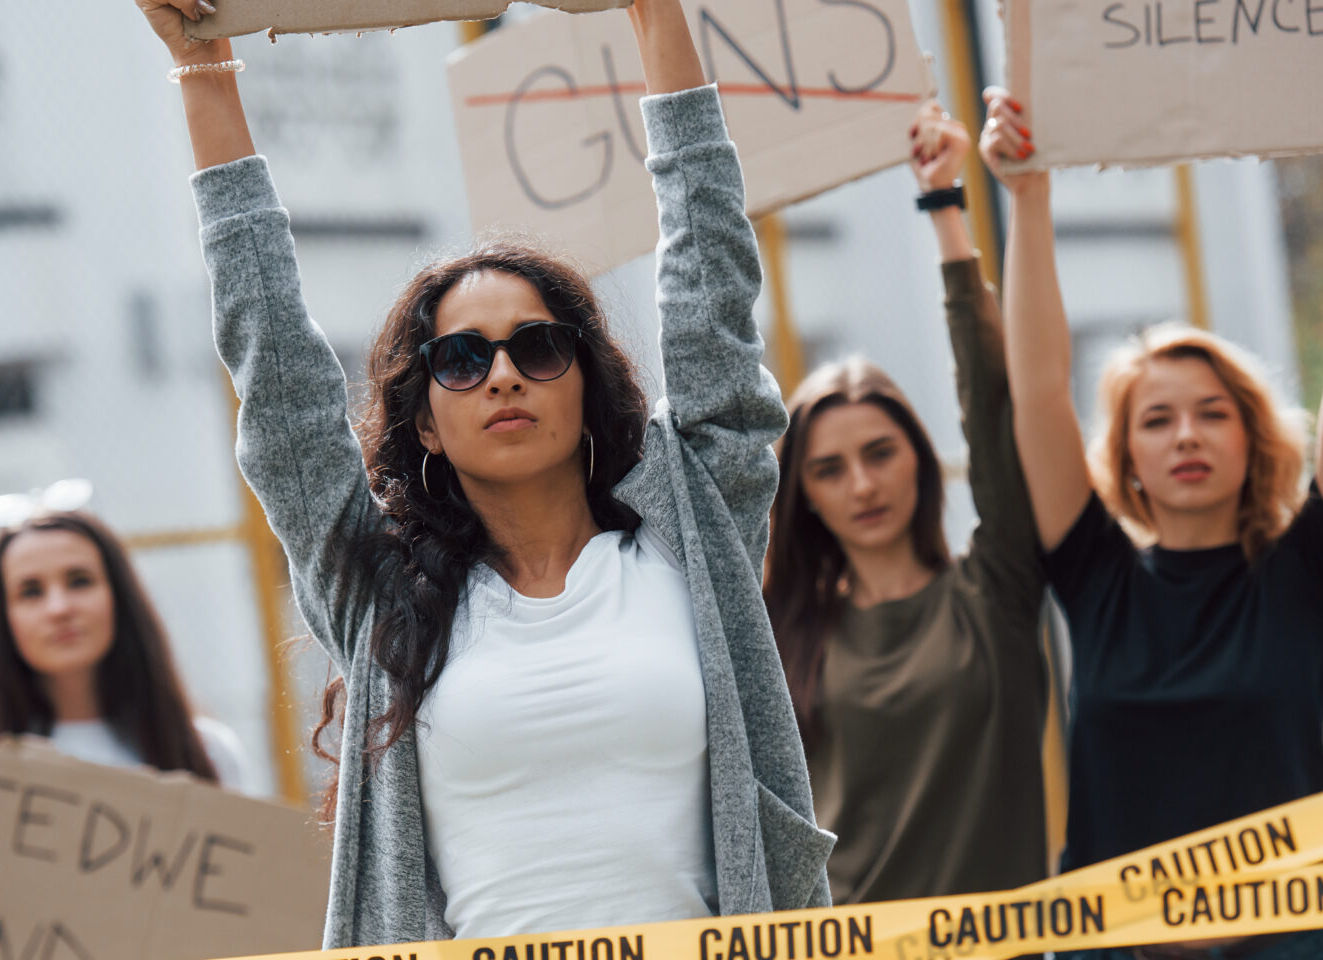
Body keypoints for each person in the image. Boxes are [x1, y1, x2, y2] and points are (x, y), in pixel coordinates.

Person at [134, 0, 831, 947]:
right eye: (461, 360)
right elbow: (280, 382)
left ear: (587, 383)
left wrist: (655, 14)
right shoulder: (380, 591)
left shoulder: (692, 533)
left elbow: (711, 287)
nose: (503, 375)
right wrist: (204, 71)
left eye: (537, 347)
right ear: (424, 419)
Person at [983, 55, 1323, 960]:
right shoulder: (1093, 572)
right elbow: (1036, 390)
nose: (1186, 435)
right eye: (1157, 420)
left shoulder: (1312, 571)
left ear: (1252, 437)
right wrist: (1027, 199)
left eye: (1212, 413)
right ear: (1128, 459)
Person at [764, 103, 1047, 906]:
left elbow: (994, 406)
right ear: (804, 496)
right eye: (829, 469)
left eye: (881, 453)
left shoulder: (995, 591)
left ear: (920, 460)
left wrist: (945, 205)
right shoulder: (783, 628)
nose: (862, 485)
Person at [0, 483, 247, 791]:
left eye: (79, 581)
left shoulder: (209, 753)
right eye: (31, 591)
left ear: (119, 597)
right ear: (2, 617)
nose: (59, 608)